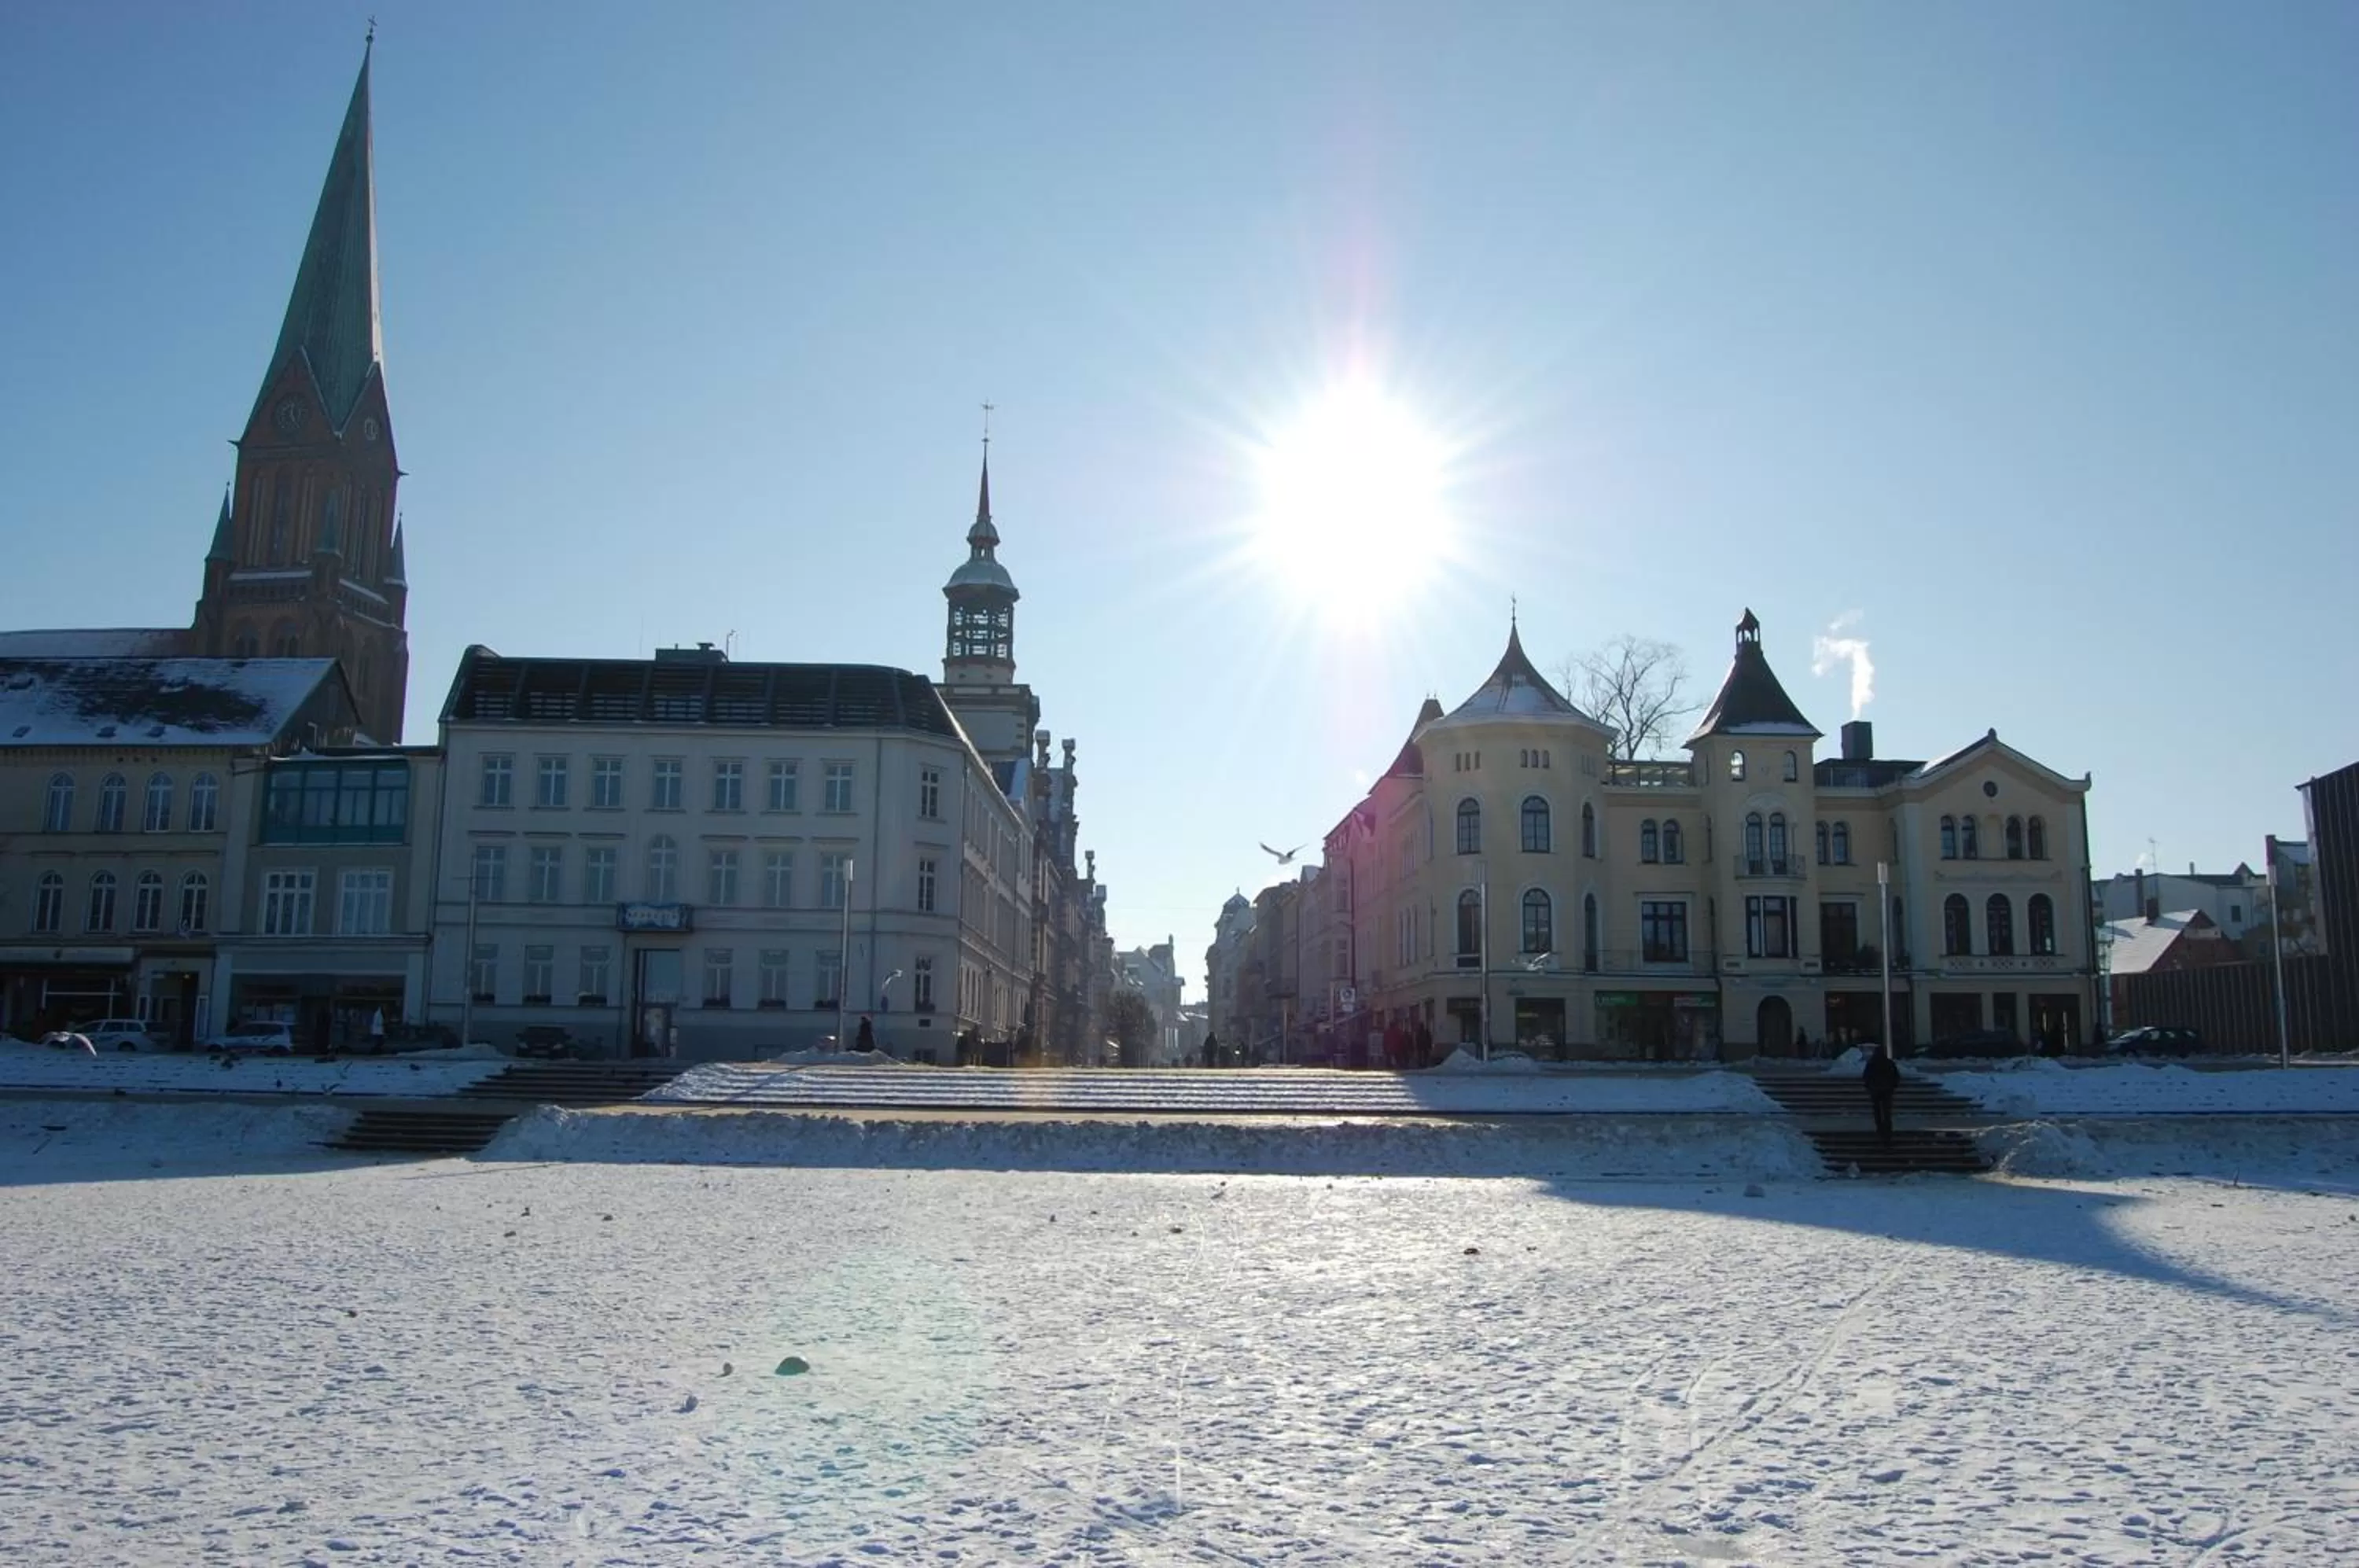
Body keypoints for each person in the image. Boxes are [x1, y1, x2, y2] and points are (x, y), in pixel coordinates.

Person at [1863, 1043, 1901, 1145]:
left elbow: (1866, 1077)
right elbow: (1896, 1076)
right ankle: (1887, 1130)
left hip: (1875, 1090)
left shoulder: (1872, 1063)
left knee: (1877, 1110)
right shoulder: (1889, 1063)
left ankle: (1880, 1128)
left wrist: (1869, 1086)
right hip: (1887, 1090)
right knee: (1887, 1111)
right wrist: (1893, 1087)